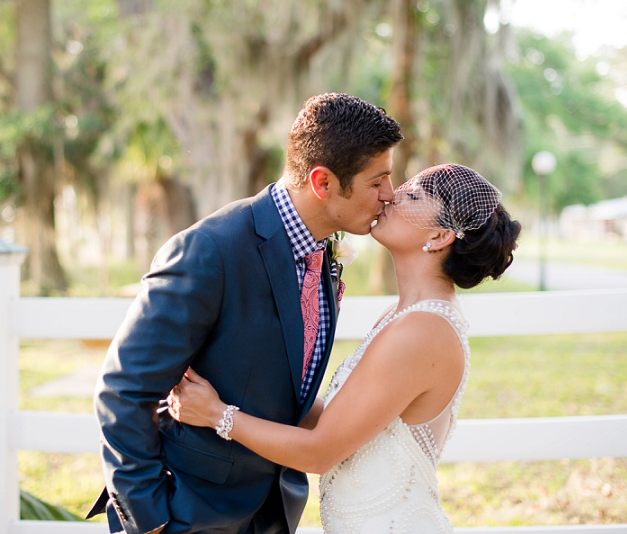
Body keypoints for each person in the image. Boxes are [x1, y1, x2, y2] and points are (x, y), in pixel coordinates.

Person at [88, 93, 403, 534]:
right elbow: (122, 389)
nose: (389, 195)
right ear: (323, 182)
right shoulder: (210, 249)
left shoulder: (322, 253)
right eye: (377, 181)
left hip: (273, 511)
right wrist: (150, 521)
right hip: (188, 512)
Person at [168, 164, 521, 534]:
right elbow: (341, 424)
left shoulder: (423, 330)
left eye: (414, 196)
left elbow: (320, 452)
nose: (391, 194)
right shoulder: (403, 315)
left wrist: (217, 415)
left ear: (439, 236)